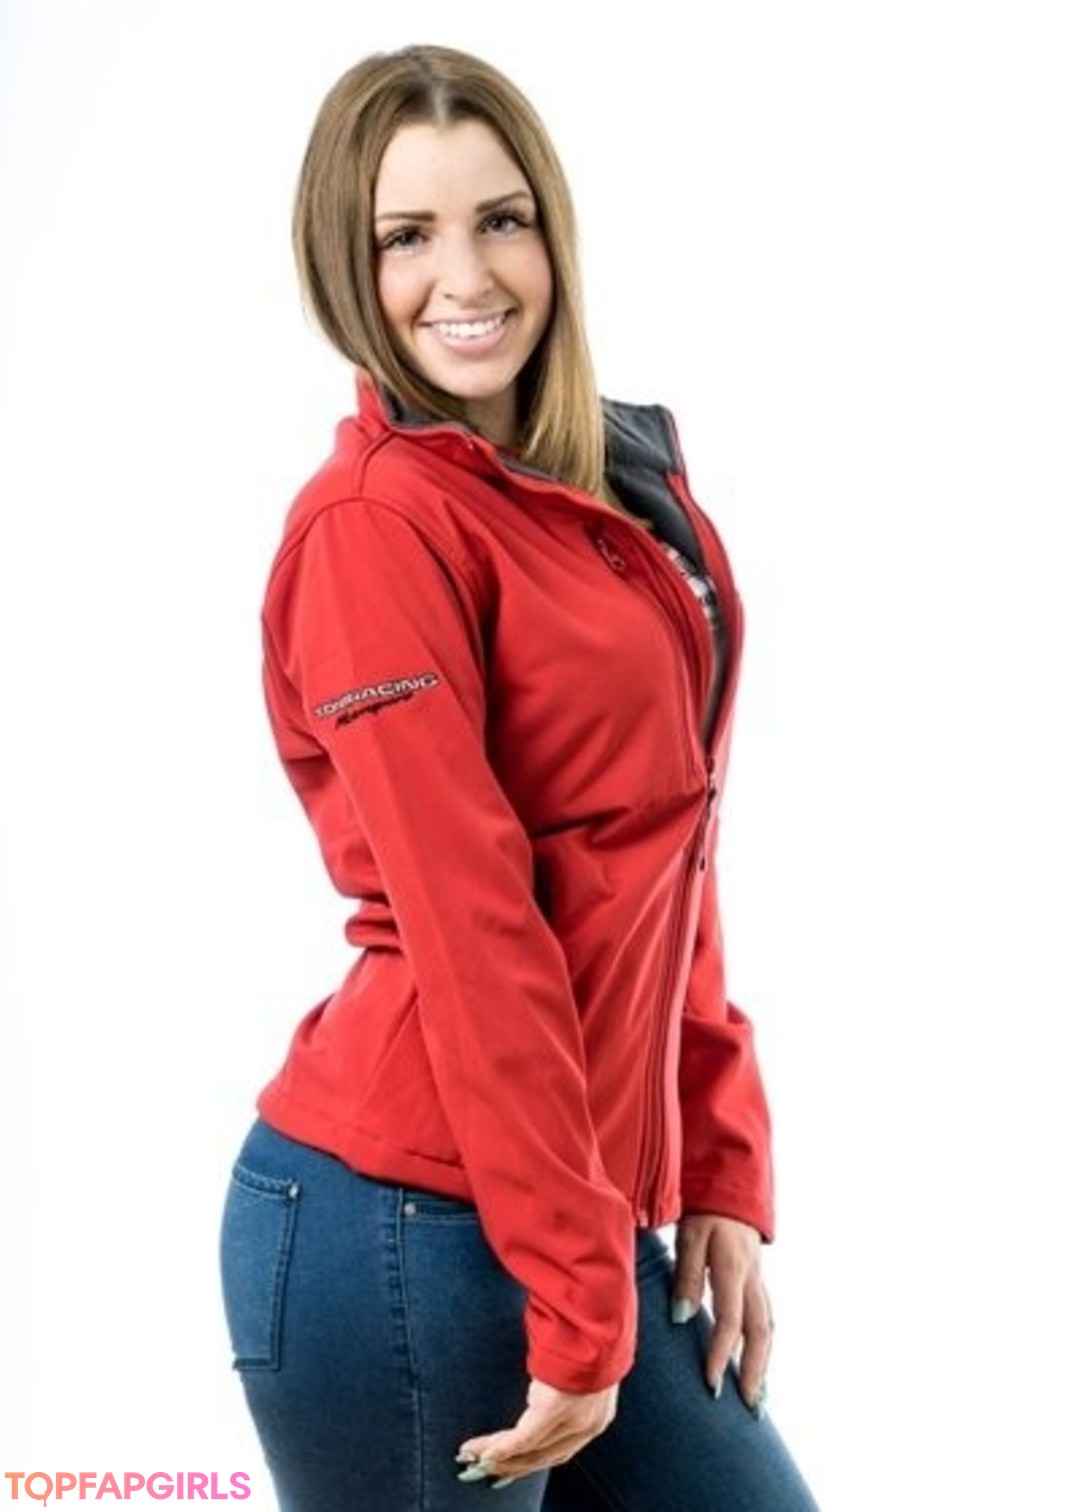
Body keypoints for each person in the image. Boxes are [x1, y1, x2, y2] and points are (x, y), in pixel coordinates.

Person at [218, 42, 819, 1512]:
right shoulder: (373, 531)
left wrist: (719, 1166)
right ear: (344, 264)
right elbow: (475, 928)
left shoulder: (610, 485)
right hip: (399, 1232)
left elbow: (667, 847)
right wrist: (579, 1287)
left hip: (576, 1207)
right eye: (404, 237)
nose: (465, 277)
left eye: (501, 219)